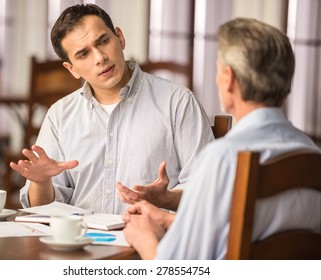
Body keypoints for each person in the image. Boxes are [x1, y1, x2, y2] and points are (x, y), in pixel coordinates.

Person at [121, 18, 321, 259]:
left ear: (229, 79)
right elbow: (242, 235)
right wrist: (171, 220)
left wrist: (144, 237)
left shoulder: (223, 158)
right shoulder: (312, 154)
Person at [10, 4, 214, 214]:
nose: (100, 58)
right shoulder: (59, 116)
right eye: (83, 54)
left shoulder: (177, 102)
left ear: (120, 37)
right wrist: (41, 183)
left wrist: (167, 199)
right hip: (79, 241)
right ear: (71, 69)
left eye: (103, 41)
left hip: (151, 240)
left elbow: (207, 188)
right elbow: (42, 209)